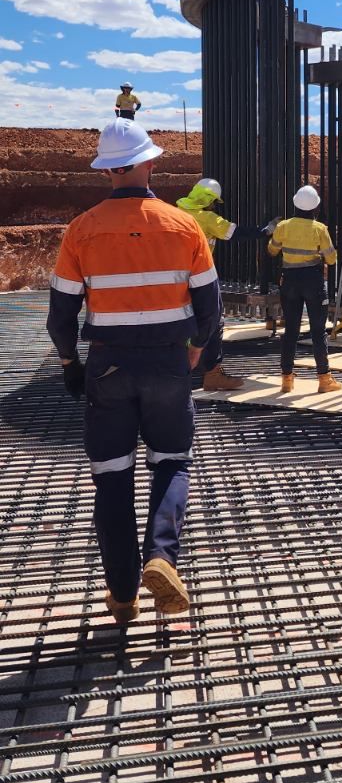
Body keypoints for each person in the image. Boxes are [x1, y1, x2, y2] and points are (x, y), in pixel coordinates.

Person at [46, 118, 220, 627]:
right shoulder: (184, 225)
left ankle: (123, 596)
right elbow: (208, 308)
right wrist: (196, 348)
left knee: (112, 479)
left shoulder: (82, 229)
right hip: (167, 361)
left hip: (109, 365)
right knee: (171, 463)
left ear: (107, 171)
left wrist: (68, 364)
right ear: (148, 162)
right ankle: (161, 557)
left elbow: (61, 316)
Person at [176, 177, 275, 392]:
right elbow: (235, 233)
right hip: (198, 278)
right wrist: (265, 230)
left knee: (180, 321)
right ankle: (212, 374)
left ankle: (178, 370)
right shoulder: (207, 218)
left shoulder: (177, 211)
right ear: (208, 200)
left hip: (172, 279)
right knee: (213, 320)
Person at [267, 185, 342, 394]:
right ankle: (324, 378)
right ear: (315, 207)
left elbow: (272, 250)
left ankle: (287, 379)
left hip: (289, 281)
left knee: (291, 330)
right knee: (318, 331)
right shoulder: (320, 229)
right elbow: (331, 258)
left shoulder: (283, 226)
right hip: (313, 281)